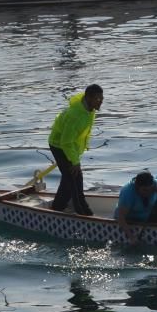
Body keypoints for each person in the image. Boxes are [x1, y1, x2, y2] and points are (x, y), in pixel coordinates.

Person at [47, 84, 103, 215]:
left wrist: (76, 156)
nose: (100, 102)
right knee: (75, 180)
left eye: (102, 98)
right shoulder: (75, 115)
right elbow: (66, 142)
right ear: (88, 98)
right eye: (97, 99)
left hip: (70, 147)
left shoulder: (89, 109)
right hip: (59, 146)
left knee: (68, 179)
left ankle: (57, 208)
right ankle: (84, 214)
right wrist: (75, 162)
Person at [114, 171, 157, 243]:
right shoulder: (127, 192)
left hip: (146, 217)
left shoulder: (155, 183)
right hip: (128, 219)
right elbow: (121, 218)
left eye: (150, 190)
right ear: (137, 187)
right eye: (144, 190)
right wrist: (131, 237)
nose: (147, 193)